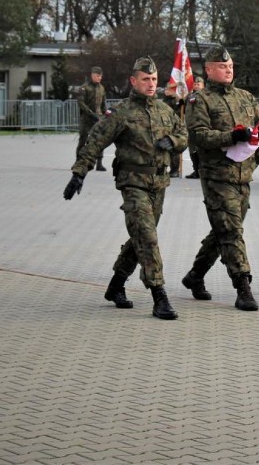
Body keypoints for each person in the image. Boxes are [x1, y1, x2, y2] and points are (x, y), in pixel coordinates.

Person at [63, 56, 188, 320]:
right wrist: (79, 173)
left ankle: (116, 285)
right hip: (133, 183)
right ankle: (159, 295)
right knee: (148, 236)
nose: (151, 84)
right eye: (146, 79)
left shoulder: (166, 110)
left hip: (159, 184)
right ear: (134, 81)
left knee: (140, 238)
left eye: (154, 79)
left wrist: (174, 141)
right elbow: (95, 140)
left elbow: (184, 135)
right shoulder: (122, 112)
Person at [181, 46, 259, 311]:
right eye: (222, 66)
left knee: (223, 229)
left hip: (242, 176)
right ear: (209, 69)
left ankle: (195, 275)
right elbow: (198, 135)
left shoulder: (246, 97)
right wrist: (230, 137)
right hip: (216, 177)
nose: (228, 69)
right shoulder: (200, 100)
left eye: (230, 66)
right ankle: (242, 285)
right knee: (232, 231)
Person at [76, 66, 107, 171]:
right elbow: (81, 103)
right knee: (83, 140)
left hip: (98, 118)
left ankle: (99, 163)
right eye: (97, 76)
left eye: (100, 76)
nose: (99, 78)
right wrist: (90, 113)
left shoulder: (102, 88)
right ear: (92, 75)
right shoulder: (84, 88)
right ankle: (78, 162)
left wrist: (105, 115)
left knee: (100, 140)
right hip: (86, 118)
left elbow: (103, 104)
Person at [184, 76, 204, 178]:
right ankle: (196, 169)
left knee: (200, 149)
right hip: (190, 126)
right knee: (192, 149)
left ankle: (201, 170)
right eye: (195, 84)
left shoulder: (204, 96)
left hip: (199, 126)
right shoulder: (190, 96)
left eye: (198, 84)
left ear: (203, 85)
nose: (196, 86)